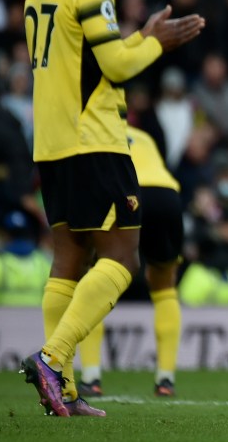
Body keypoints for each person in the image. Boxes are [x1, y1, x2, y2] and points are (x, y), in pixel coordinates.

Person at [19, 0, 204, 418]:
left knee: (69, 259)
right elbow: (117, 70)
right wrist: (154, 44)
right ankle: (54, 360)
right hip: (94, 139)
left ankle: (66, 391)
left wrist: (136, 36)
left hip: (52, 141)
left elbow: (91, 58)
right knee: (122, 258)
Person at [76, 124, 186, 399]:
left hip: (127, 194)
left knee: (95, 276)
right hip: (166, 196)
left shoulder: (90, 131)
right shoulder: (144, 135)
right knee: (164, 284)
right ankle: (166, 379)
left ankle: (91, 377)